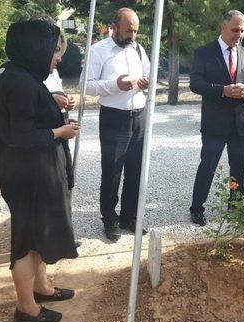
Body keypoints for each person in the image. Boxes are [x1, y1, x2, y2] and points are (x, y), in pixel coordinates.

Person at [0, 20, 80, 322]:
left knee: (38, 236)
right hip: (27, 176)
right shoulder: (18, 82)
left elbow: (28, 112)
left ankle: (42, 288)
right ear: (35, 49)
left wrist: (52, 100)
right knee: (25, 241)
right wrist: (59, 131)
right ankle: (26, 307)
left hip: (36, 173)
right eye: (53, 51)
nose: (57, 58)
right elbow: (20, 136)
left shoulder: (23, 77)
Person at [189, 10, 244, 226]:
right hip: (214, 124)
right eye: (235, 29)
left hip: (240, 124)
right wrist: (223, 90)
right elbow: (195, 84)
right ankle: (196, 208)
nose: (239, 34)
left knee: (239, 168)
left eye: (242, 31)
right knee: (207, 167)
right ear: (223, 27)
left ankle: (235, 207)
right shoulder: (204, 53)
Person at [85, 8, 150, 242]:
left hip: (139, 116)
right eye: (128, 30)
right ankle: (109, 219)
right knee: (112, 171)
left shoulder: (139, 50)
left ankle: (129, 217)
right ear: (115, 26)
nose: (132, 35)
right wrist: (115, 85)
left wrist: (144, 83)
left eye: (135, 30)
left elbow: (148, 76)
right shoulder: (98, 50)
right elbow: (87, 86)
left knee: (135, 169)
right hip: (114, 117)